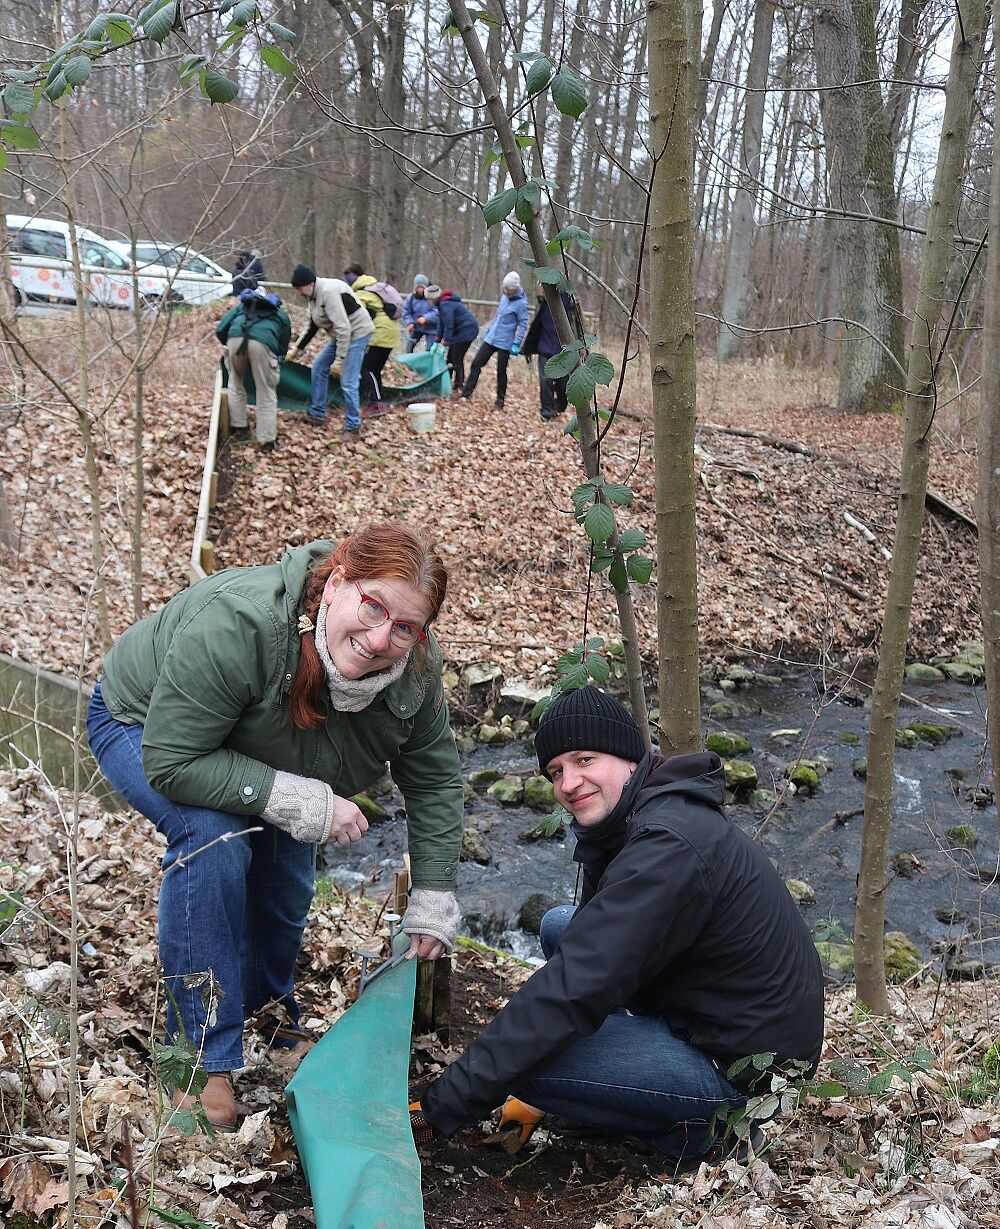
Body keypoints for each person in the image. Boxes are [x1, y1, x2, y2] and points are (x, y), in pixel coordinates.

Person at [87, 524, 464, 1128]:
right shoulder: (242, 623)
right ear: (337, 581)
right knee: (216, 837)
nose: (378, 638)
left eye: (404, 628)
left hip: (270, 747)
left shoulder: (415, 671)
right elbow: (172, 759)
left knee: (285, 874)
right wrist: (293, 797)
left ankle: (265, 1011)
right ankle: (198, 1059)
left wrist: (434, 891)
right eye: (372, 607)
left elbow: (435, 779)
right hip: (147, 724)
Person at [410, 687, 825, 1169]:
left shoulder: (667, 844)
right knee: (560, 928)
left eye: (585, 759)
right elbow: (589, 952)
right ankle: (632, 1086)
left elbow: (574, 986)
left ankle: (698, 1134)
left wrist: (445, 1106)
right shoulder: (636, 815)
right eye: (556, 771)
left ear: (628, 756)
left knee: (528, 1068)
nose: (569, 783)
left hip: (744, 1077)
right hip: (715, 1016)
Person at [287, 264, 374, 440]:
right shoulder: (312, 297)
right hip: (341, 334)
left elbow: (344, 328)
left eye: (300, 288)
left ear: (310, 283)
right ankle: (317, 413)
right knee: (319, 367)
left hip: (357, 333)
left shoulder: (328, 292)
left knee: (348, 381)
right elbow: (312, 326)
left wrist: (340, 360)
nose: (299, 293)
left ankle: (353, 426)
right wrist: (297, 349)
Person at [215, 287, 291, 453]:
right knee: (266, 390)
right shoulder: (278, 313)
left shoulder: (241, 307)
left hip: (235, 338)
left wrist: (229, 341)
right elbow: (284, 341)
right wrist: (279, 356)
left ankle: (240, 428)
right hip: (262, 343)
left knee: (235, 383)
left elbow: (220, 329)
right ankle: (267, 441)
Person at [461, 272, 529, 410]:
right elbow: (498, 316)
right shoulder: (504, 297)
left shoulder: (521, 304)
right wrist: (488, 331)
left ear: (514, 289)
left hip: (505, 342)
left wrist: (517, 342)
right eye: (504, 288)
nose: (505, 291)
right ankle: (466, 394)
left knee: (501, 371)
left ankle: (500, 401)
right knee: (476, 364)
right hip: (491, 338)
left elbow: (523, 324)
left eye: (508, 289)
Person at [344, 262, 402, 411]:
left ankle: (376, 404)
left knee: (365, 368)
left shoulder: (362, 293)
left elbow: (356, 314)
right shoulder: (374, 288)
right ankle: (377, 399)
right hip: (392, 332)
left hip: (380, 333)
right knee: (374, 369)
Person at [521, 291, 572, 421]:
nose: (541, 291)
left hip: (563, 352)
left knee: (563, 384)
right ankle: (546, 413)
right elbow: (535, 327)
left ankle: (559, 406)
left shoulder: (567, 301)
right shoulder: (542, 305)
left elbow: (577, 323)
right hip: (545, 349)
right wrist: (527, 348)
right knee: (545, 382)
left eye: (544, 288)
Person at [434, 288, 479, 391]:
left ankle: (459, 385)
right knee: (450, 358)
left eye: (429, 300)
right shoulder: (442, 304)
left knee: (456, 357)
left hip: (467, 330)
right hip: (460, 331)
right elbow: (441, 323)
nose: (429, 302)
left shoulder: (445, 305)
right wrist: (437, 341)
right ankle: (446, 381)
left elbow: (449, 325)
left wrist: (445, 343)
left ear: (435, 298)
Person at [402, 273, 438, 352]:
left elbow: (437, 311)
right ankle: (411, 362)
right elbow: (406, 312)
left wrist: (425, 318)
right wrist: (410, 322)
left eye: (422, 287)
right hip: (416, 326)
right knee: (409, 347)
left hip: (431, 328)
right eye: (418, 287)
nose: (420, 290)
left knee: (430, 350)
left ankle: (428, 363)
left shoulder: (432, 296)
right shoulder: (411, 297)